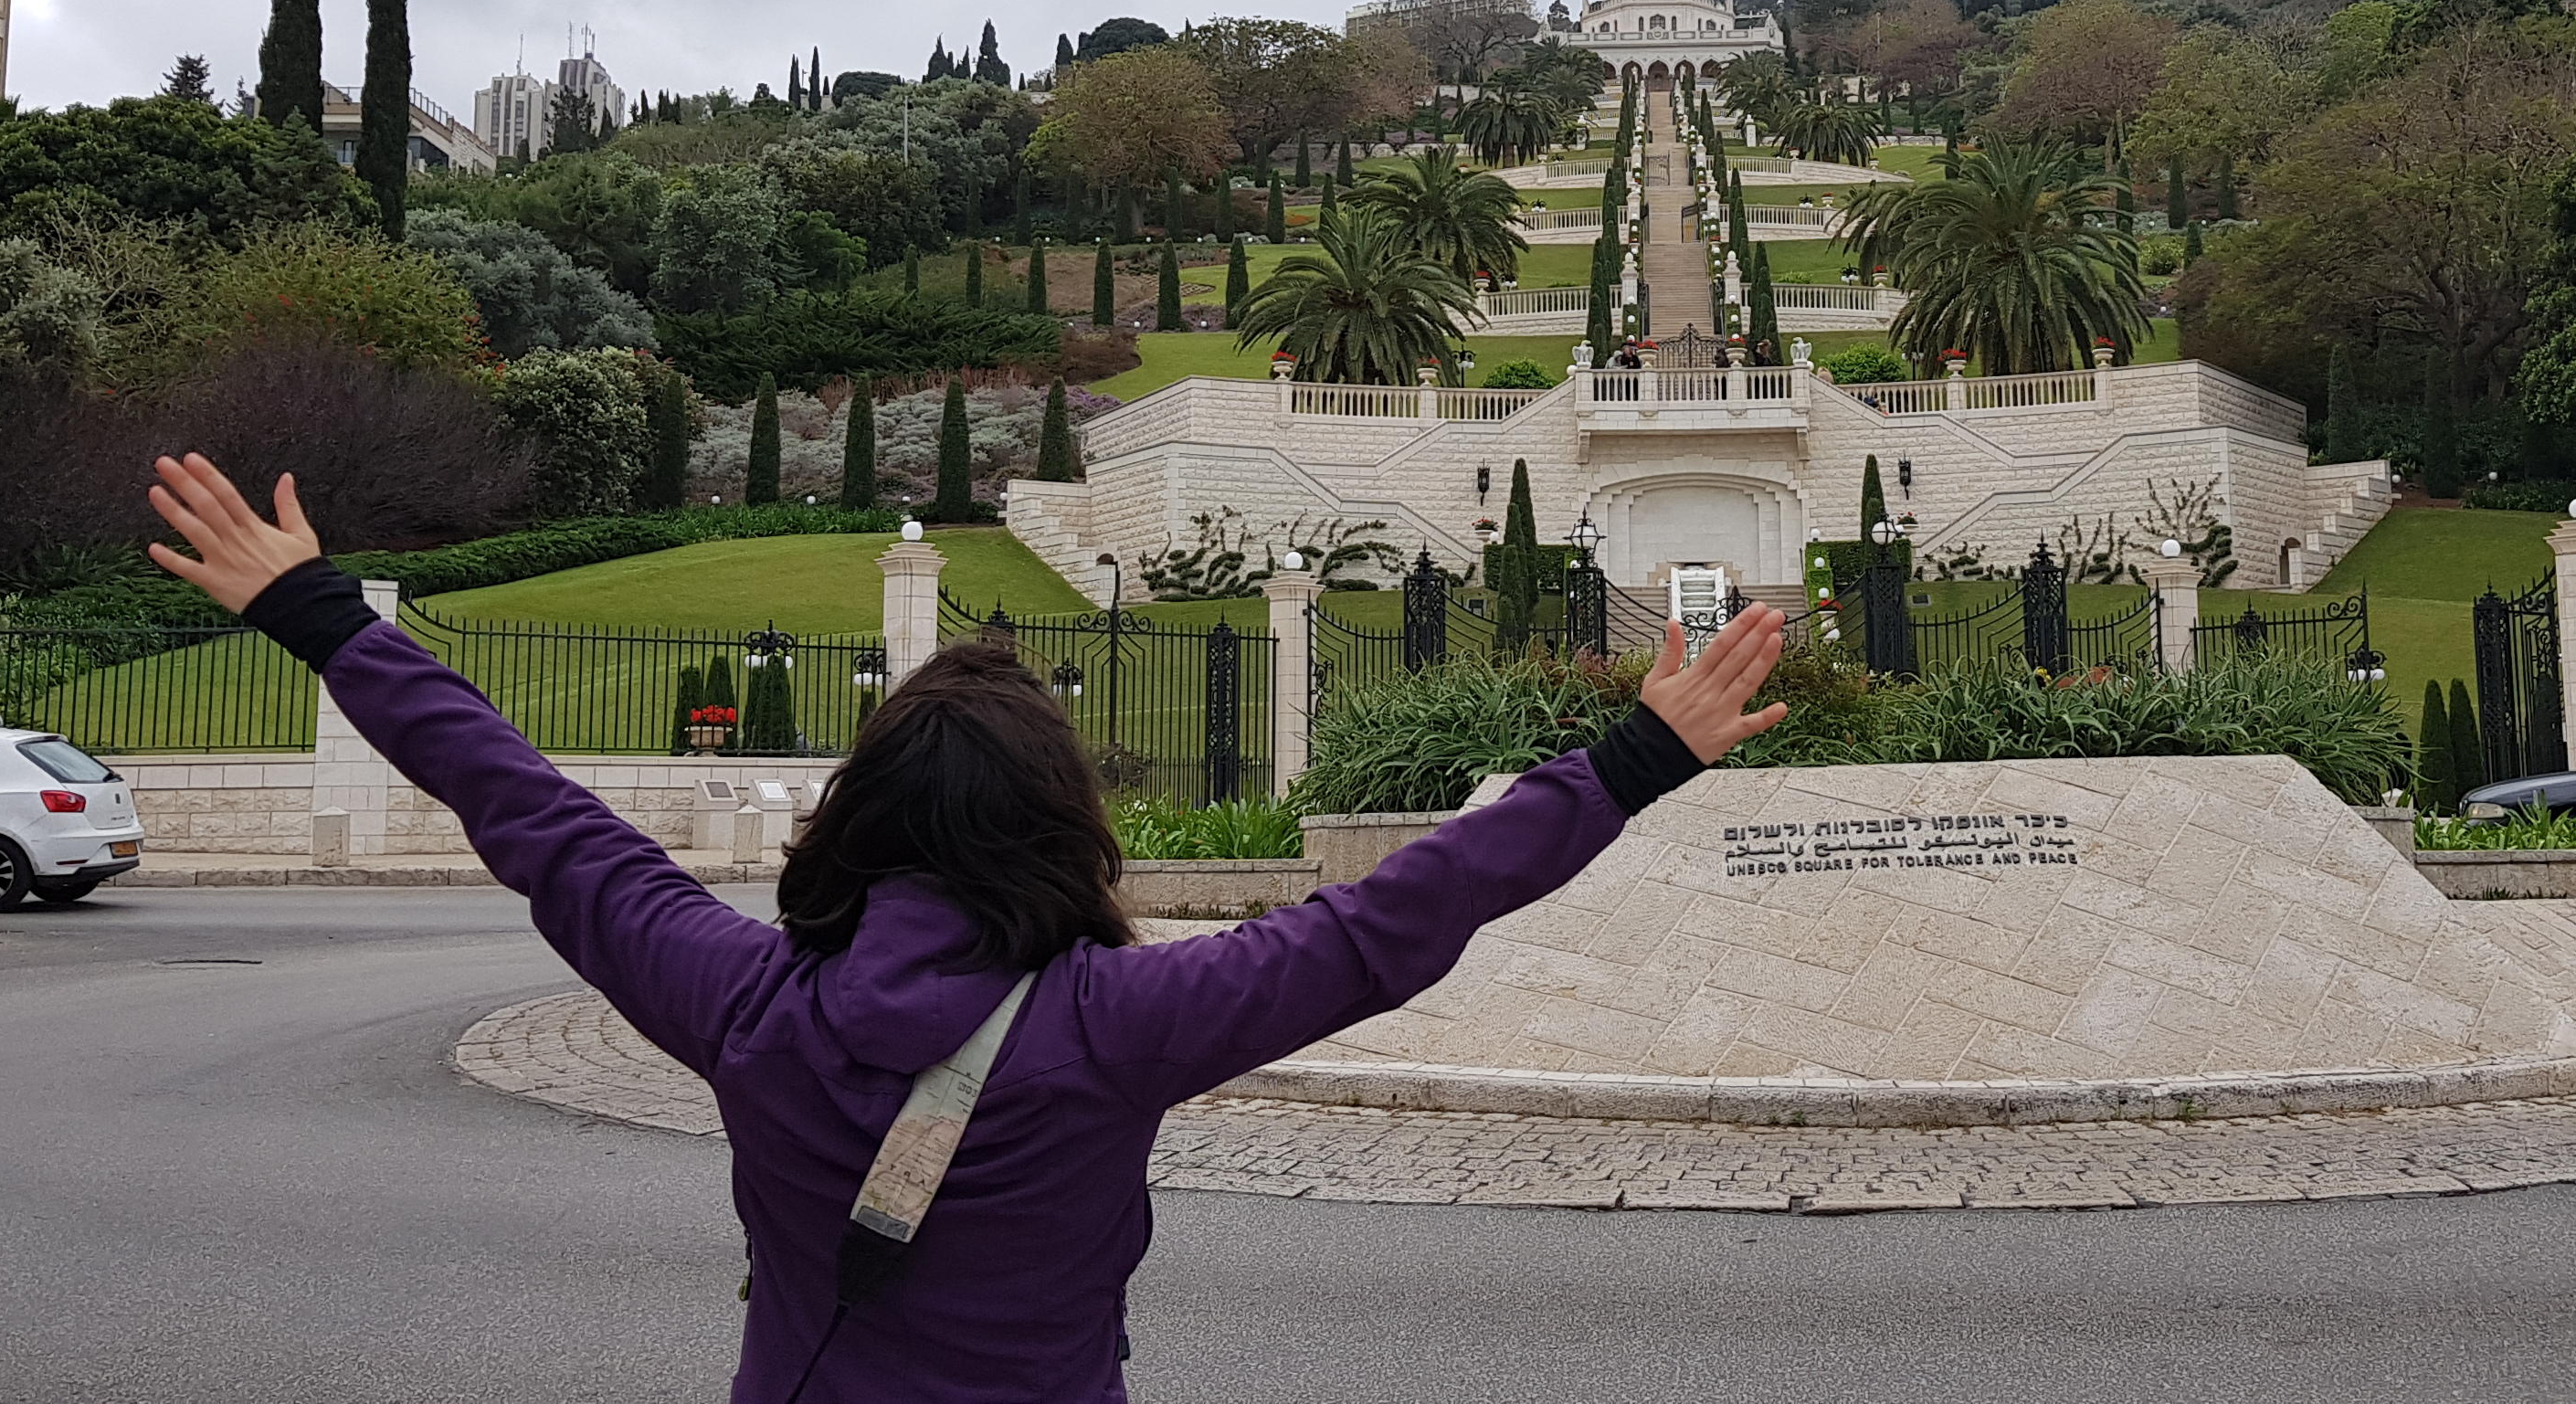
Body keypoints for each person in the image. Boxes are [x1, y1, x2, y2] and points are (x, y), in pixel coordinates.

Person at [140, 452, 1789, 1403]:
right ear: (1055, 831)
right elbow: (1388, 924)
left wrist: (314, 613)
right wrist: (1634, 758)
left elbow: (532, 815)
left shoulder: (737, 1000)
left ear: (859, 823)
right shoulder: (1116, 1024)